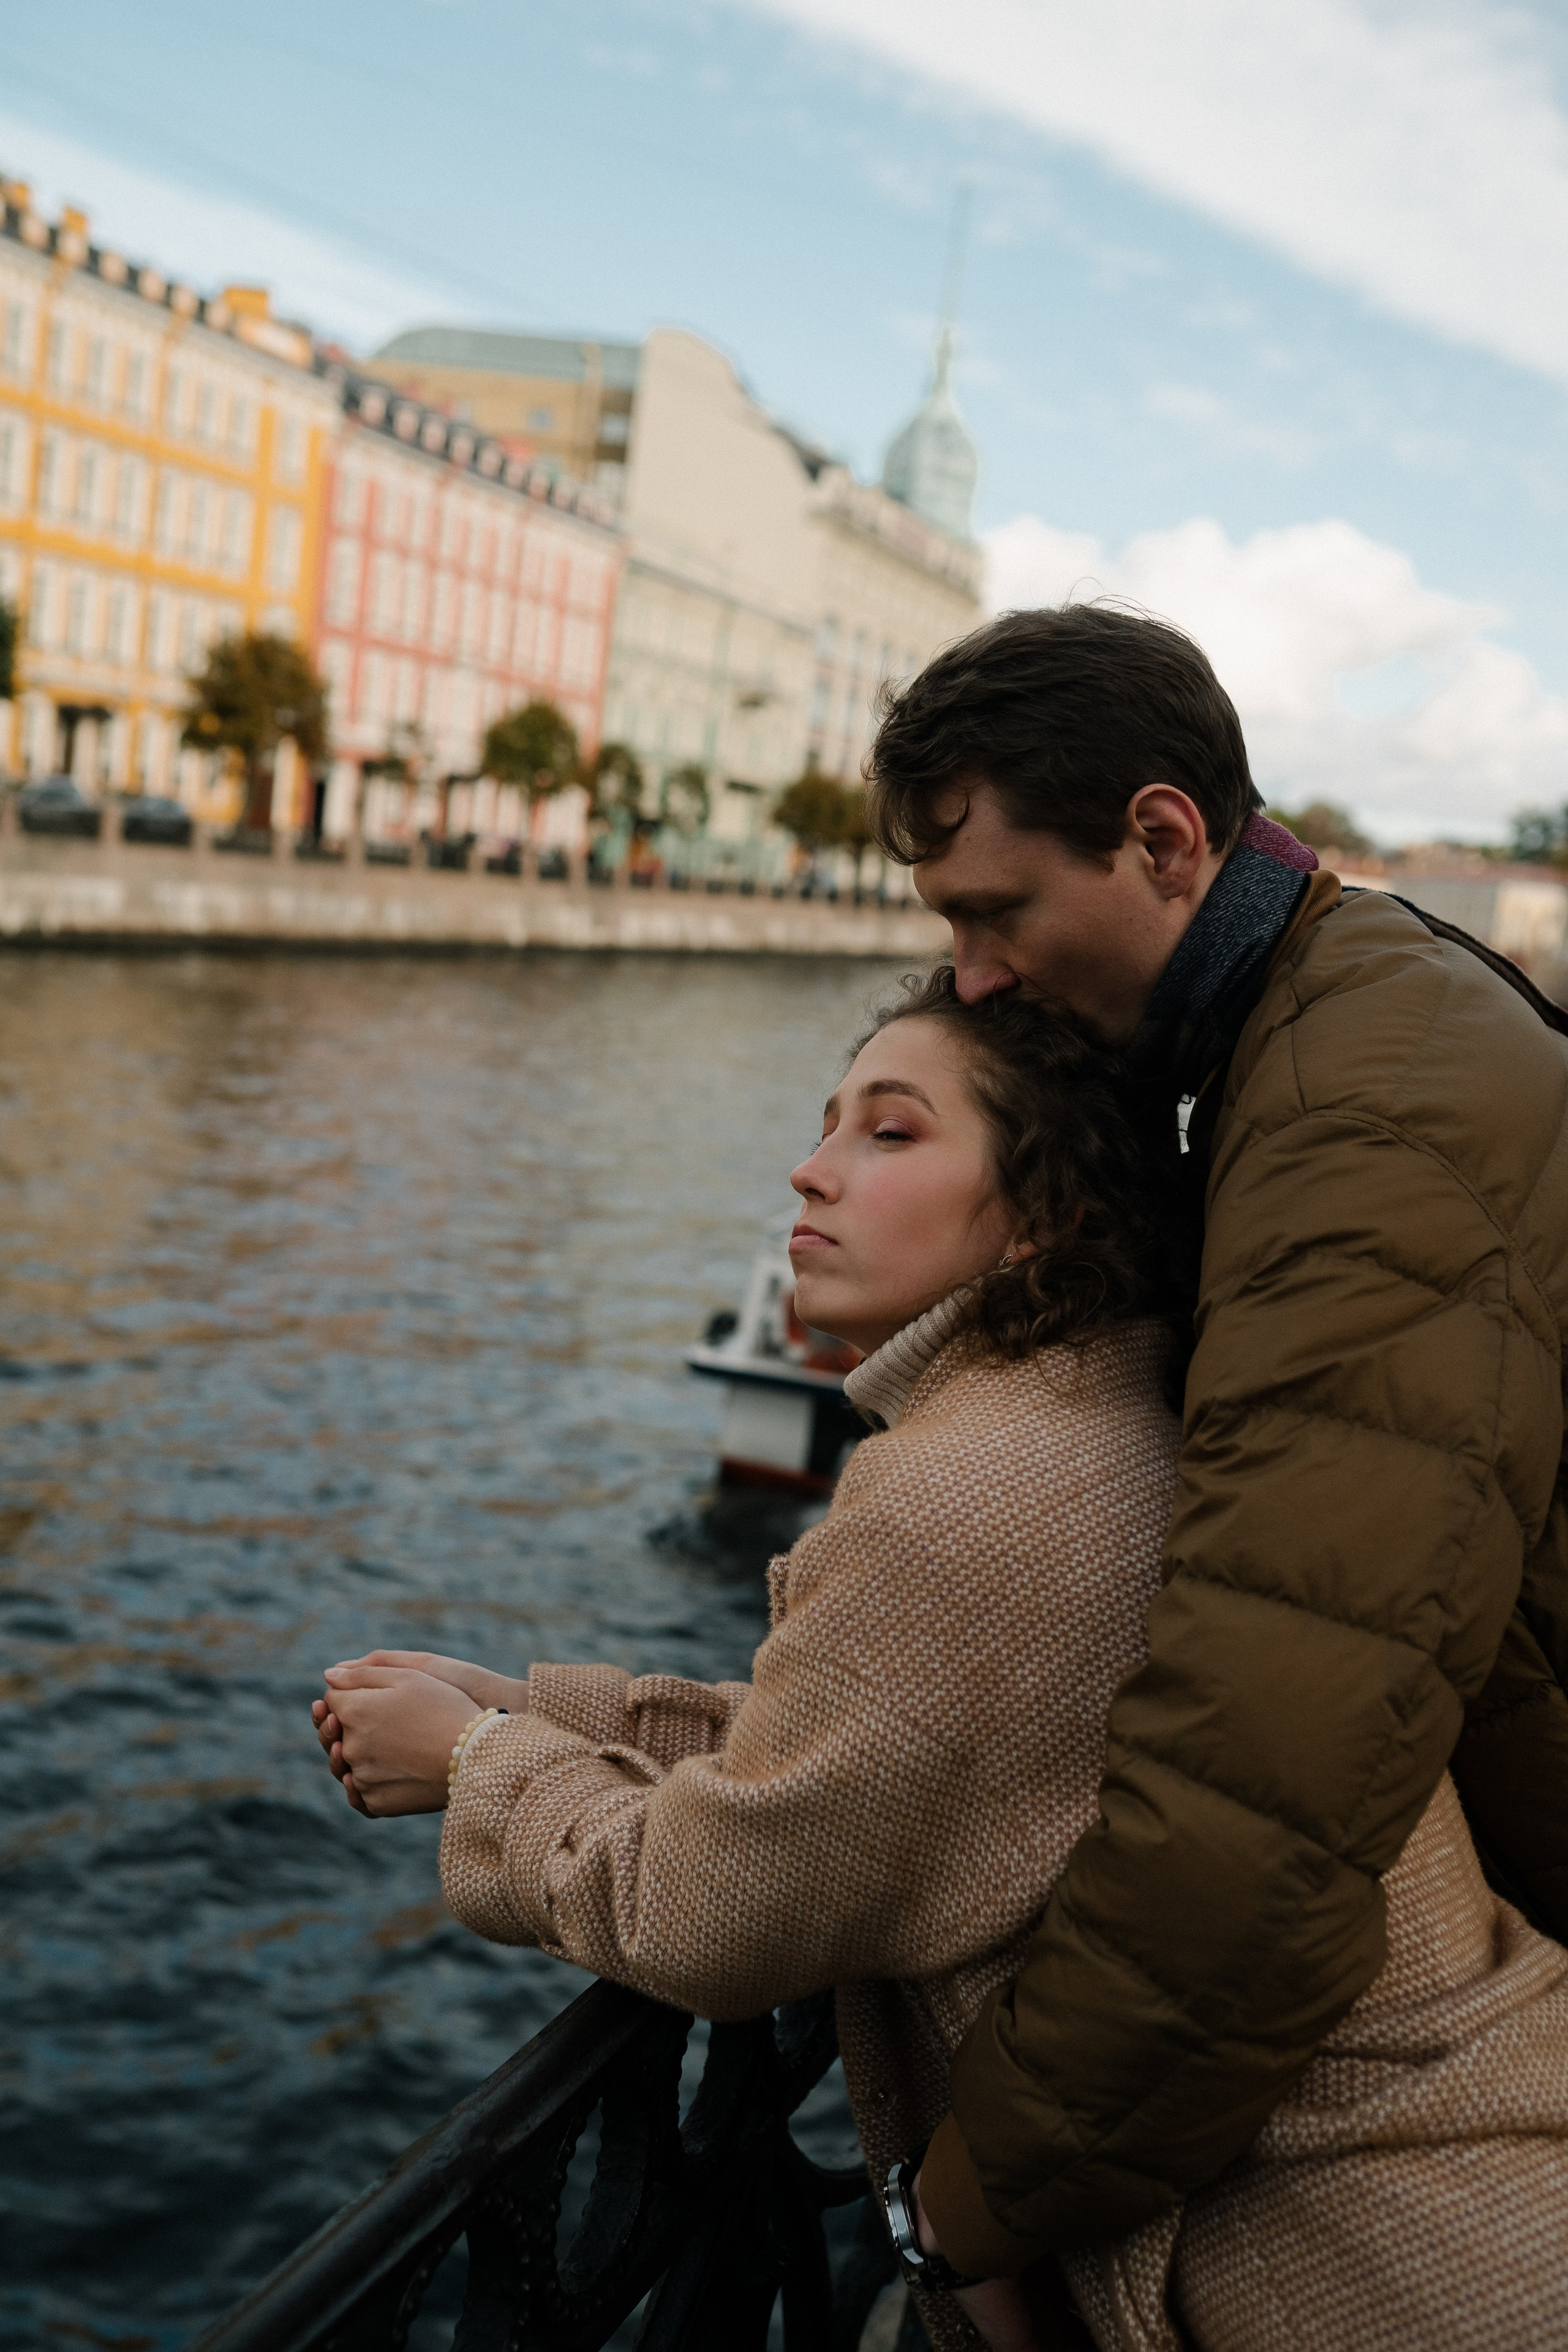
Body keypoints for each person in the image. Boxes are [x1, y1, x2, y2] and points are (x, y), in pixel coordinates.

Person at [314, 968, 1568, 2351]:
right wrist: (540, 1703)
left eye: (887, 1132)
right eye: (826, 1123)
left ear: (1045, 1211)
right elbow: (894, 1742)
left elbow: (710, 1907)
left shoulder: (958, 1491)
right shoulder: (1126, 1415)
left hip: (1363, 2269)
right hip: (1492, 2149)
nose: (810, 1167)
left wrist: (477, 1764)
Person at [848, 604, 1568, 2324]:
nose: (974, 981)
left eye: (997, 911)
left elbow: (1274, 1768)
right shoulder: (1338, 1010)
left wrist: (965, 2204)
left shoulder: (1365, 1118)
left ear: (1165, 840)